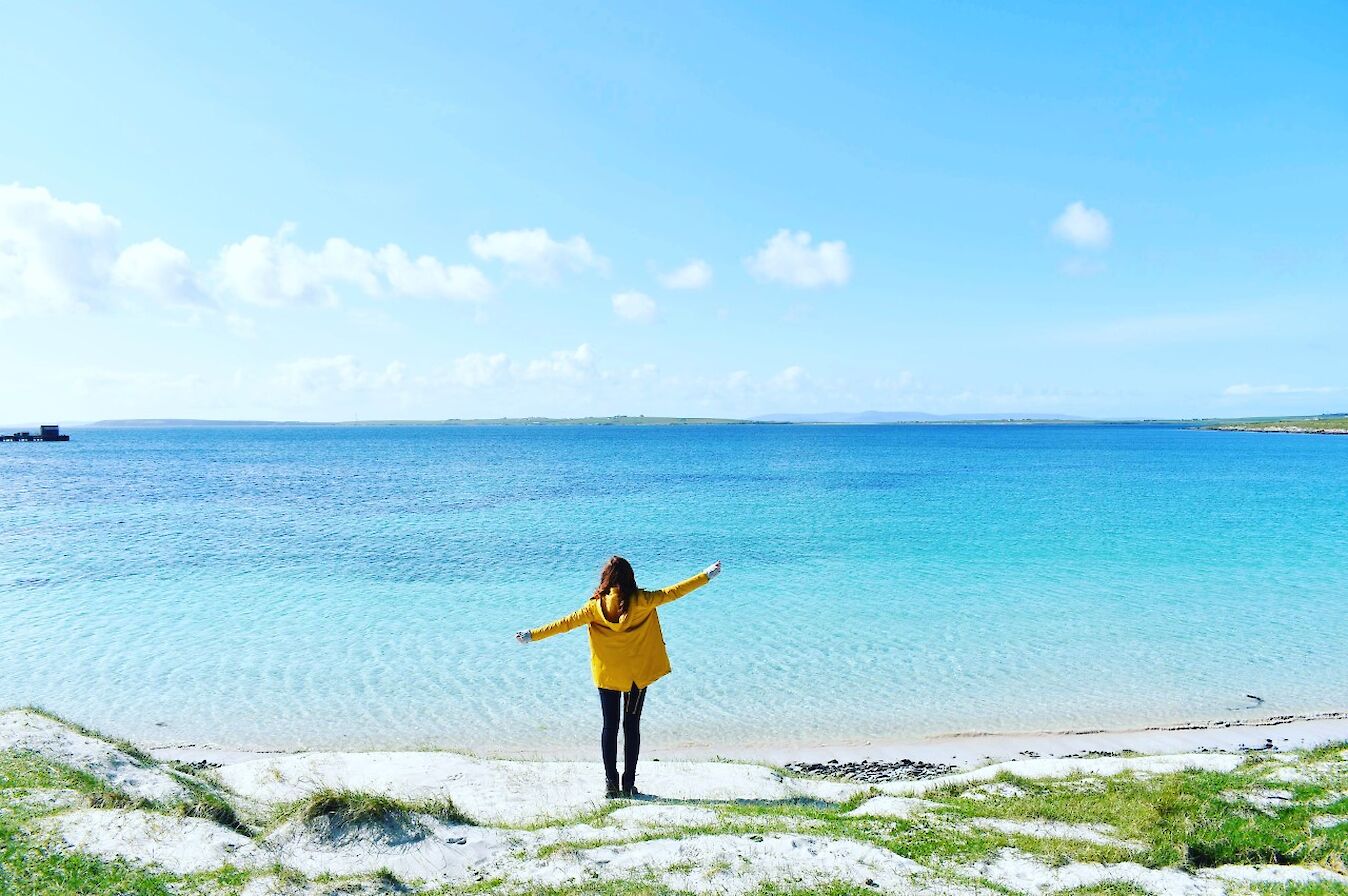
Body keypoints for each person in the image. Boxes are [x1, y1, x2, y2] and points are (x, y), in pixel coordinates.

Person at [515, 556, 722, 798]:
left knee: (609, 727)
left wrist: (531, 635)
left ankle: (610, 785)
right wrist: (706, 575)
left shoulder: (594, 607)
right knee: (631, 727)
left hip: (607, 676)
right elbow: (674, 592)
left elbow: (564, 624)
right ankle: (628, 785)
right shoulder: (642, 600)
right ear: (630, 577)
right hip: (636, 678)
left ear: (605, 579)